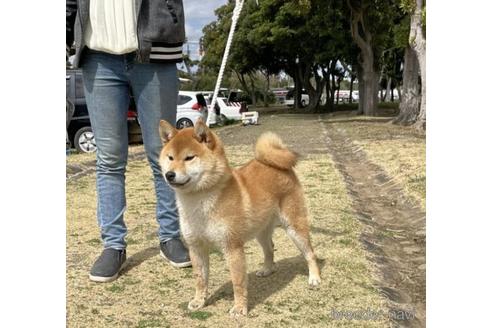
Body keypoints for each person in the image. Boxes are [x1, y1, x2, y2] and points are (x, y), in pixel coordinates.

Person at [68, 0, 191, 283]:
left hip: (156, 51)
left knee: (163, 154)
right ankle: (113, 244)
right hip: (97, 56)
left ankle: (170, 236)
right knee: (109, 158)